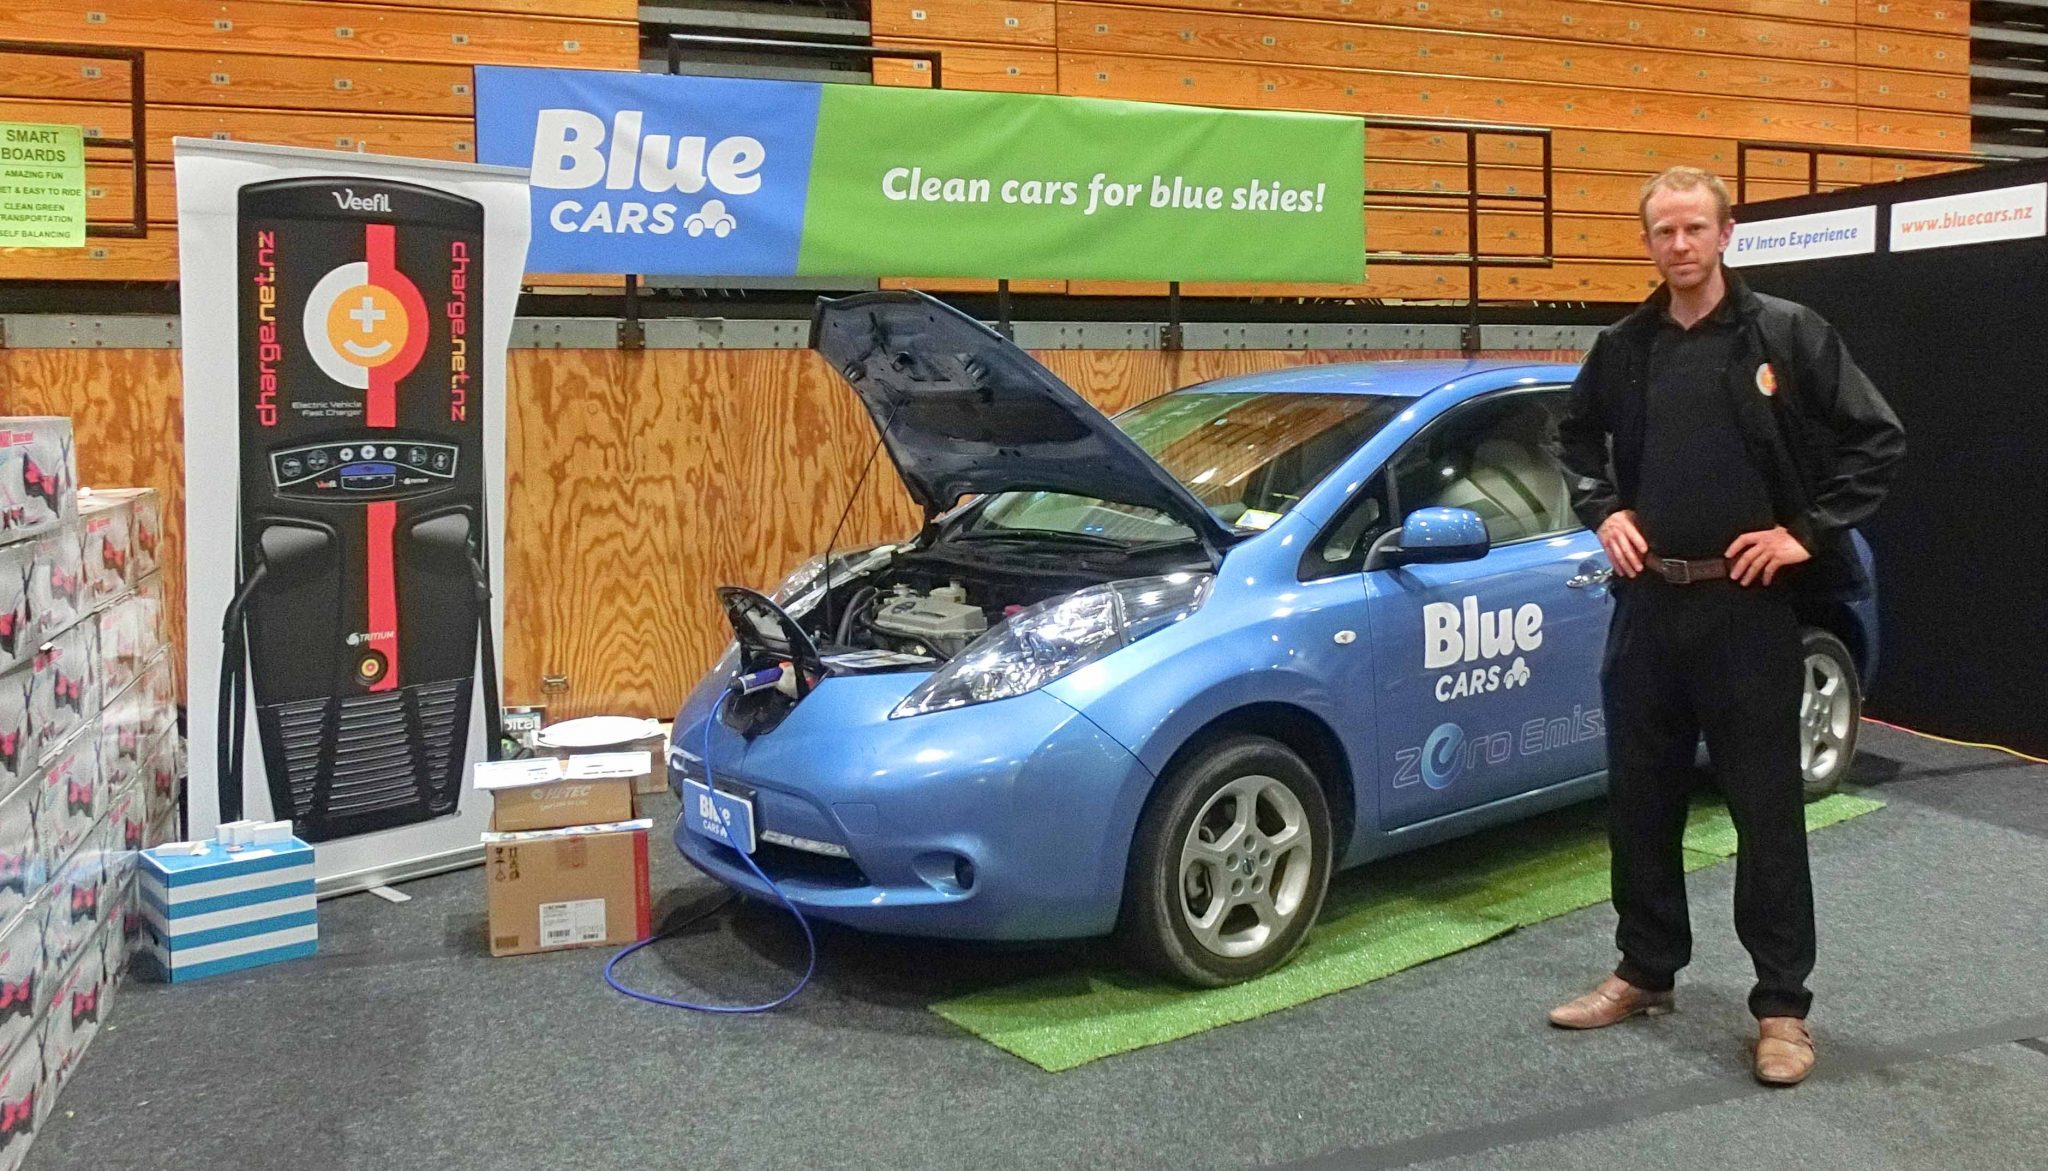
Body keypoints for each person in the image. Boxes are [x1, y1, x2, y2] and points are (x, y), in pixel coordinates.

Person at [1548, 166, 1905, 1086]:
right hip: (1649, 606)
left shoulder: (1785, 332)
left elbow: (1877, 438)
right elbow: (1574, 439)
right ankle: (1645, 969)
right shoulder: (1624, 346)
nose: (1679, 245)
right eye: (1662, 231)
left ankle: (1782, 1008)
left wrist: (1803, 533)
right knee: (1642, 800)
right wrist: (1602, 510)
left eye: (1694, 228)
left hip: (1747, 613)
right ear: (1647, 242)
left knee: (1766, 811)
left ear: (1725, 231)